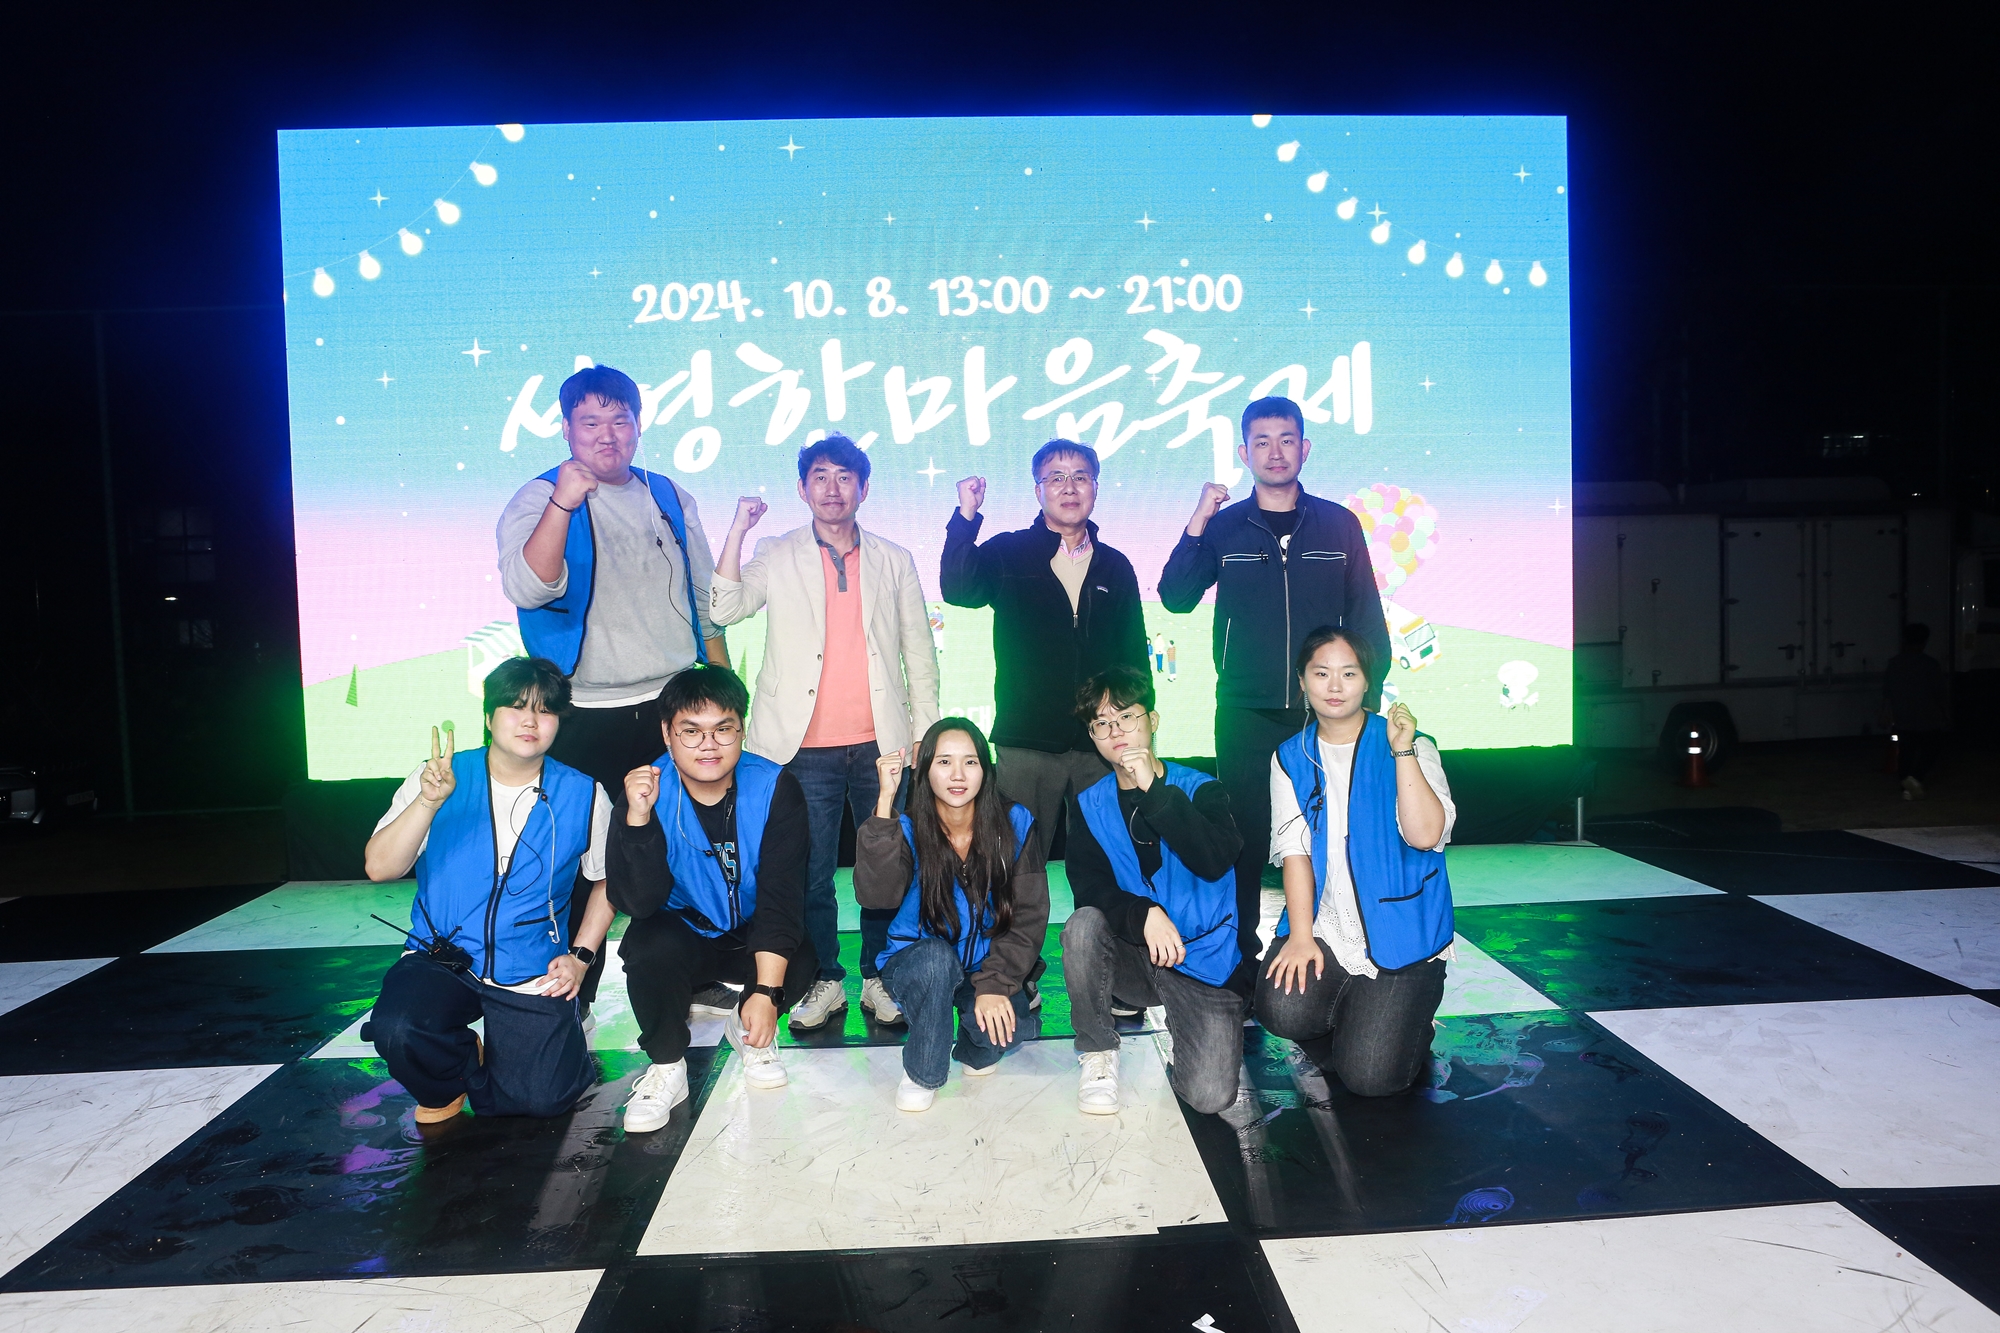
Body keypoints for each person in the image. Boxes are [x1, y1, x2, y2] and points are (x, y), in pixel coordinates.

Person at [497, 364, 728, 1018]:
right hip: (581, 711)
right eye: (591, 422)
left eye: (620, 420)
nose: (607, 434)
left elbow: (705, 597)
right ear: (566, 428)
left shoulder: (667, 494)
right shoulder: (538, 496)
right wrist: (564, 503)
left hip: (668, 707)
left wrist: (722, 686)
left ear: (638, 425)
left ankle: (693, 974)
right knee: (577, 859)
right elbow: (529, 587)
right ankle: (572, 993)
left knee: (681, 846)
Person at [709, 433, 941, 1033]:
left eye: (844, 476)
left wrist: (925, 730)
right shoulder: (777, 551)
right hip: (800, 746)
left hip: (882, 745)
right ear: (802, 487)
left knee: (886, 867)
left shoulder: (893, 558)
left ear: (863, 488)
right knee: (809, 872)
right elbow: (724, 609)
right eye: (820, 476)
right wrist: (737, 529)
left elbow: (918, 650)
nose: (832, 488)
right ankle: (825, 979)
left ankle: (881, 975)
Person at [1158, 396, 1392, 975]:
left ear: (1304, 448)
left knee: (1333, 834)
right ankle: (1241, 962)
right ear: (1245, 453)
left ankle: (1337, 949)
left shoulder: (1338, 523)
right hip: (1245, 710)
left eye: (1286, 440)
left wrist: (1365, 707)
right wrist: (1199, 519)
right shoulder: (1225, 526)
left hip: (1327, 713)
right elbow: (1175, 596)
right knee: (1241, 836)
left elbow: (1367, 618)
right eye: (1261, 442)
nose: (1275, 452)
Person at [361, 657, 615, 1124]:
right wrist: (428, 802)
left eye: (545, 710)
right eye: (516, 707)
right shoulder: (438, 777)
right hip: (442, 954)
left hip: (532, 963)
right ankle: (454, 1071)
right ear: (488, 716)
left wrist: (581, 958)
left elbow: (608, 880)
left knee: (538, 1102)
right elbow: (380, 868)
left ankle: (543, 1049)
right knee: (398, 1028)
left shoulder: (585, 793)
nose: (530, 721)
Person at [605, 665, 817, 1132]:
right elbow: (638, 903)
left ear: (742, 730)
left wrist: (765, 993)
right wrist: (637, 822)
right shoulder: (645, 792)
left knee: (801, 956)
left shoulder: (775, 786)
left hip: (751, 934)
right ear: (667, 733)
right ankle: (667, 1066)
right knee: (646, 944)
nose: (709, 745)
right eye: (691, 731)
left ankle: (748, 1028)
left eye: (723, 729)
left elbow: (782, 899)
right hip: (686, 934)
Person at [1257, 627, 1456, 1097]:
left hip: (1403, 931)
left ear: (1368, 681)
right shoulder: (1290, 756)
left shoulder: (1411, 743)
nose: (1334, 686)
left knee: (1371, 1080)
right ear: (1302, 681)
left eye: (1348, 674)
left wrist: (1402, 750)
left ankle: (1409, 1019)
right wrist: (1301, 937)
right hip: (1331, 925)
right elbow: (1296, 853)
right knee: (1281, 1008)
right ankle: (1366, 1016)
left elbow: (1426, 835)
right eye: (1320, 673)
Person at [941, 440, 1149, 860]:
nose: (1069, 487)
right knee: (1016, 864)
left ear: (1095, 488)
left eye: (1080, 477)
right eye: (1056, 478)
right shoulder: (1009, 551)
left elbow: (1133, 656)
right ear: (1038, 491)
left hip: (1101, 742)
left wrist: (1135, 729)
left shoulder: (1115, 565)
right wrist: (966, 516)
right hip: (1026, 741)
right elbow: (959, 589)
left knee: (1108, 863)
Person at [1061, 666, 1246, 1116]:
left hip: (1202, 960)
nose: (1115, 731)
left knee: (1210, 1097)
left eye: (1126, 716)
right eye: (1101, 723)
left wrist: (1153, 790)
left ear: (1153, 721)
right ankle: (1098, 1049)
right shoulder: (1089, 803)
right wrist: (1141, 913)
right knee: (1082, 925)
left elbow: (1215, 859)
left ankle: (1189, 1027)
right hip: (1136, 957)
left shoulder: (1203, 789)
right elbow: (1089, 887)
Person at [855, 718, 1048, 1112]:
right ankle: (922, 1071)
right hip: (918, 962)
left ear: (985, 770)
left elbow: (1029, 916)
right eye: (944, 762)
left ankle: (981, 1016)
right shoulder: (905, 828)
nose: (958, 775)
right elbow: (875, 895)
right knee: (936, 961)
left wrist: (996, 983)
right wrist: (885, 803)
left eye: (970, 762)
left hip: (982, 967)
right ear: (925, 770)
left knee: (1000, 1038)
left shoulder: (1014, 824)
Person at [1883, 622, 1951, 800]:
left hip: (1903, 716)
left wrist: (1887, 712)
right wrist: (1946, 713)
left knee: (1906, 751)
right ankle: (1914, 779)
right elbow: (1940, 692)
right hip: (1928, 716)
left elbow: (1887, 692)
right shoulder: (1930, 664)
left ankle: (1906, 782)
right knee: (1931, 750)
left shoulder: (1895, 663)